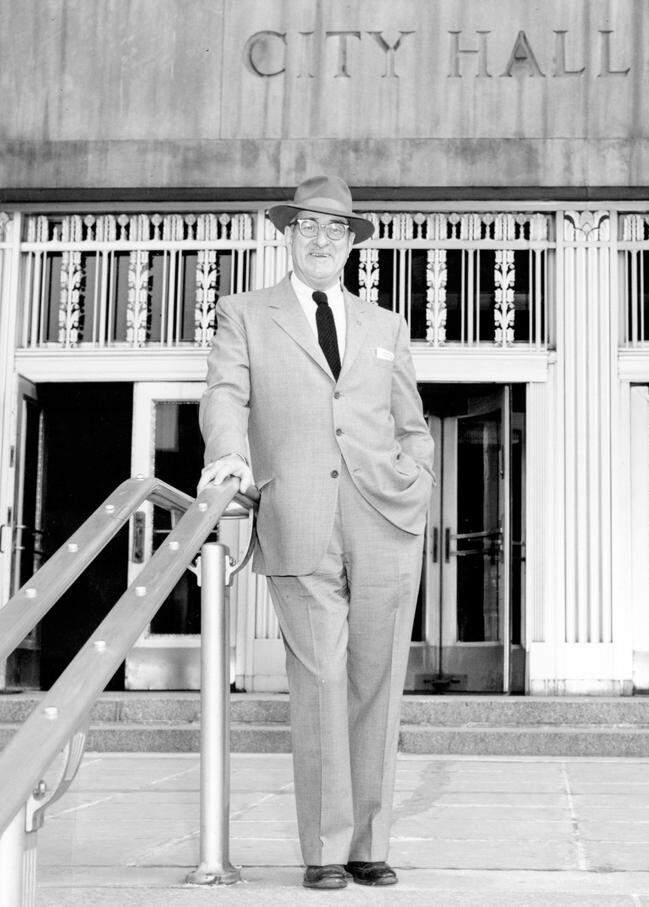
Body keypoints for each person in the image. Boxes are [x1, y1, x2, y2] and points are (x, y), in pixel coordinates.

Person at [197, 175, 434, 890]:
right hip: (298, 515)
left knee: (377, 679)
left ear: (352, 243)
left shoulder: (385, 325)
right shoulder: (245, 313)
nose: (322, 239)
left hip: (386, 518)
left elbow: (411, 422)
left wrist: (416, 480)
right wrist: (227, 453)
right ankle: (326, 849)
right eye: (309, 226)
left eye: (336, 229)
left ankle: (369, 843)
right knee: (322, 680)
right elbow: (225, 393)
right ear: (288, 234)